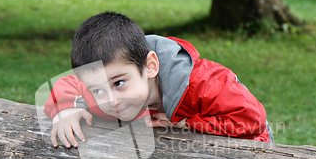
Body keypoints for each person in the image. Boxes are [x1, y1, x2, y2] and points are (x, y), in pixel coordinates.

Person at [44, 12, 273, 148]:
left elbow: (252, 120)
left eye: (119, 83)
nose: (111, 101)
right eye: (98, 91)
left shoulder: (205, 82)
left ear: (150, 66)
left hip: (248, 147)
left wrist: (186, 123)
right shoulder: (109, 81)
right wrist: (64, 110)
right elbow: (68, 84)